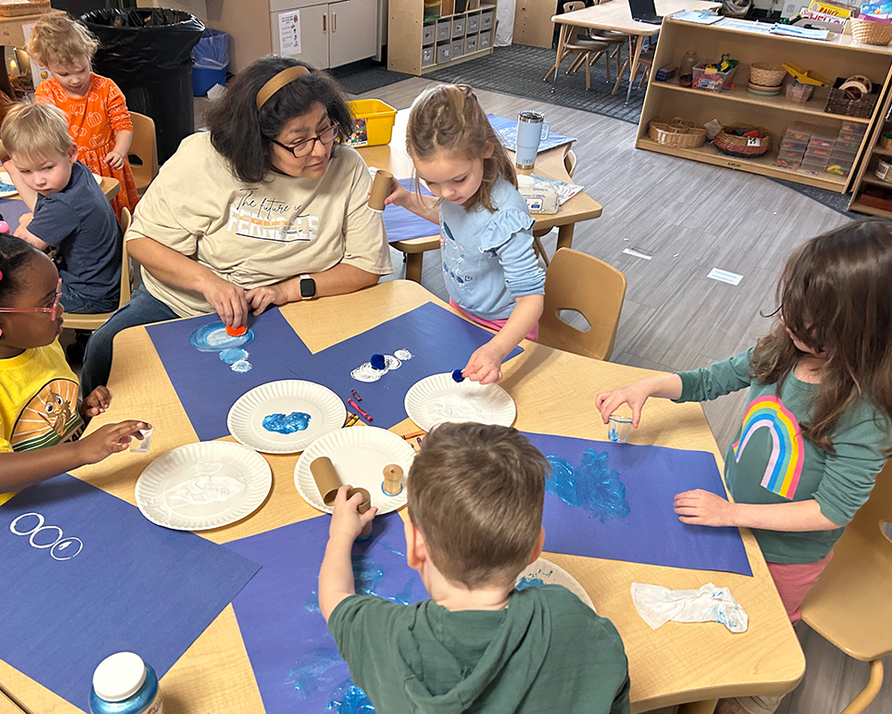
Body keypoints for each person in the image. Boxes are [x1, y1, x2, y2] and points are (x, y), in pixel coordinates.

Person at [595, 220, 892, 714]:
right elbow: (711, 380)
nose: (791, 325)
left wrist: (731, 513)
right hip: (733, 517)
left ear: (868, 334)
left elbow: (831, 511)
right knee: (713, 615)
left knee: (761, 636)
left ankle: (757, 697)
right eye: (792, 309)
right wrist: (648, 386)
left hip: (785, 554)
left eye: (812, 325)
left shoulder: (868, 414)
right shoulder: (784, 348)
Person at [79, 55, 392, 395]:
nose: (319, 150)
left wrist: (288, 290)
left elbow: (365, 266)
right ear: (256, 140)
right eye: (299, 142)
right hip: (182, 304)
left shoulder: (347, 168)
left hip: (296, 309)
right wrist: (208, 283)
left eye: (325, 128)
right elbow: (141, 241)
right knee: (105, 349)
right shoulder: (202, 158)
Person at [319, 422, 631, 713]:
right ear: (536, 547)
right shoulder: (574, 620)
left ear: (414, 546)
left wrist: (341, 535)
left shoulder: (386, 637)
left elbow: (334, 596)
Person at [0, 217, 148, 536]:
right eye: (48, 303)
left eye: (57, 294)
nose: (60, 309)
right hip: (1, 525)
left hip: (56, 490)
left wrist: (79, 412)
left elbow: (35, 420)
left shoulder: (37, 343)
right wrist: (80, 451)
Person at [386, 84, 544, 384]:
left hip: (504, 328)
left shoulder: (505, 215)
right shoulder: (459, 194)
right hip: (460, 311)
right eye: (432, 182)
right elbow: (451, 219)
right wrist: (407, 198)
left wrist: (497, 349)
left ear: (485, 149)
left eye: (458, 179)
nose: (446, 193)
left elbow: (532, 300)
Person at [1, 101, 123, 316]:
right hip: (107, 281)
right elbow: (41, 210)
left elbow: (22, 250)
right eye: (26, 171)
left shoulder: (65, 204)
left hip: (88, 295)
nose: (38, 181)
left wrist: (25, 226)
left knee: (7, 295)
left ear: (71, 152)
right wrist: (14, 172)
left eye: (47, 168)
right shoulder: (76, 172)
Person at [26, 11, 138, 215]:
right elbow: (45, 134)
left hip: (108, 165)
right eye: (64, 74)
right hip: (69, 167)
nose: (75, 80)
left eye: (81, 70)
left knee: (113, 214)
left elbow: (123, 126)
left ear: (89, 56)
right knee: (80, 215)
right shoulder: (47, 93)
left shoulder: (107, 88)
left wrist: (119, 152)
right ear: (46, 65)